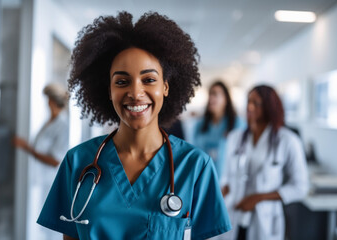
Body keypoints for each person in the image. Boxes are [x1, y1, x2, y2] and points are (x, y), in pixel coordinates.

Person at [37, 12, 231, 240]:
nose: (136, 93)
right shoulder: (77, 162)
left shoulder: (195, 167)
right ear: (109, 90)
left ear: (166, 87)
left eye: (148, 80)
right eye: (121, 81)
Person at [220, 85, 309, 240]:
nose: (249, 107)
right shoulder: (235, 138)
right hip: (233, 214)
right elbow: (226, 177)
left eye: (256, 103)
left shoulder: (288, 141)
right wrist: (218, 199)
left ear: (270, 107)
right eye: (248, 101)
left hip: (265, 220)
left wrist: (258, 198)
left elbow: (301, 187)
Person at [13, 83, 69, 240]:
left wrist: (27, 148)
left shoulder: (63, 125)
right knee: (38, 226)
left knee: (50, 228)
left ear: (51, 101)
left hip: (50, 183)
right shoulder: (48, 122)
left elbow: (55, 161)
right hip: (38, 181)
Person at [193, 81, 246, 179]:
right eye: (210, 94)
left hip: (228, 182)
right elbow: (195, 153)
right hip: (203, 178)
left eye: (215, 94)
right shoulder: (200, 125)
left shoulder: (237, 124)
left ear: (226, 99)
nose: (211, 98)